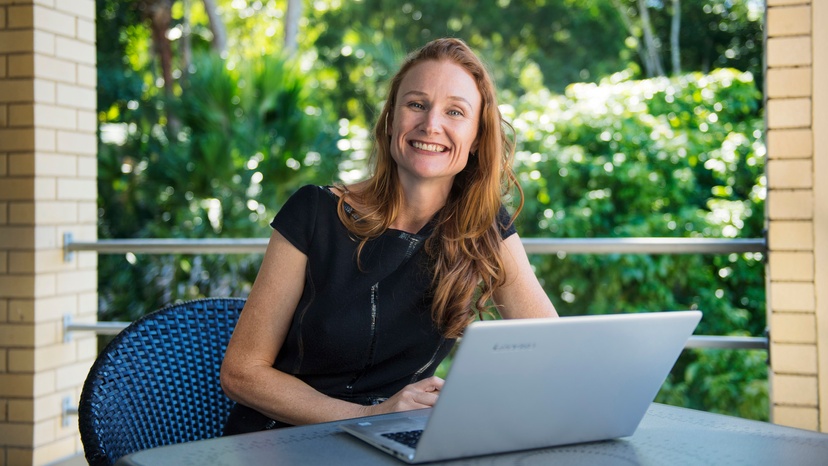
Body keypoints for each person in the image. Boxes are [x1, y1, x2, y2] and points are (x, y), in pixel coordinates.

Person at [220, 37, 558, 435]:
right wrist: (369, 418)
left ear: (478, 137)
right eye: (416, 104)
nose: (431, 124)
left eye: (455, 111)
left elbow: (550, 351)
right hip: (280, 442)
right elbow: (241, 374)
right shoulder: (314, 212)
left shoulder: (483, 226)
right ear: (391, 120)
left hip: (393, 442)